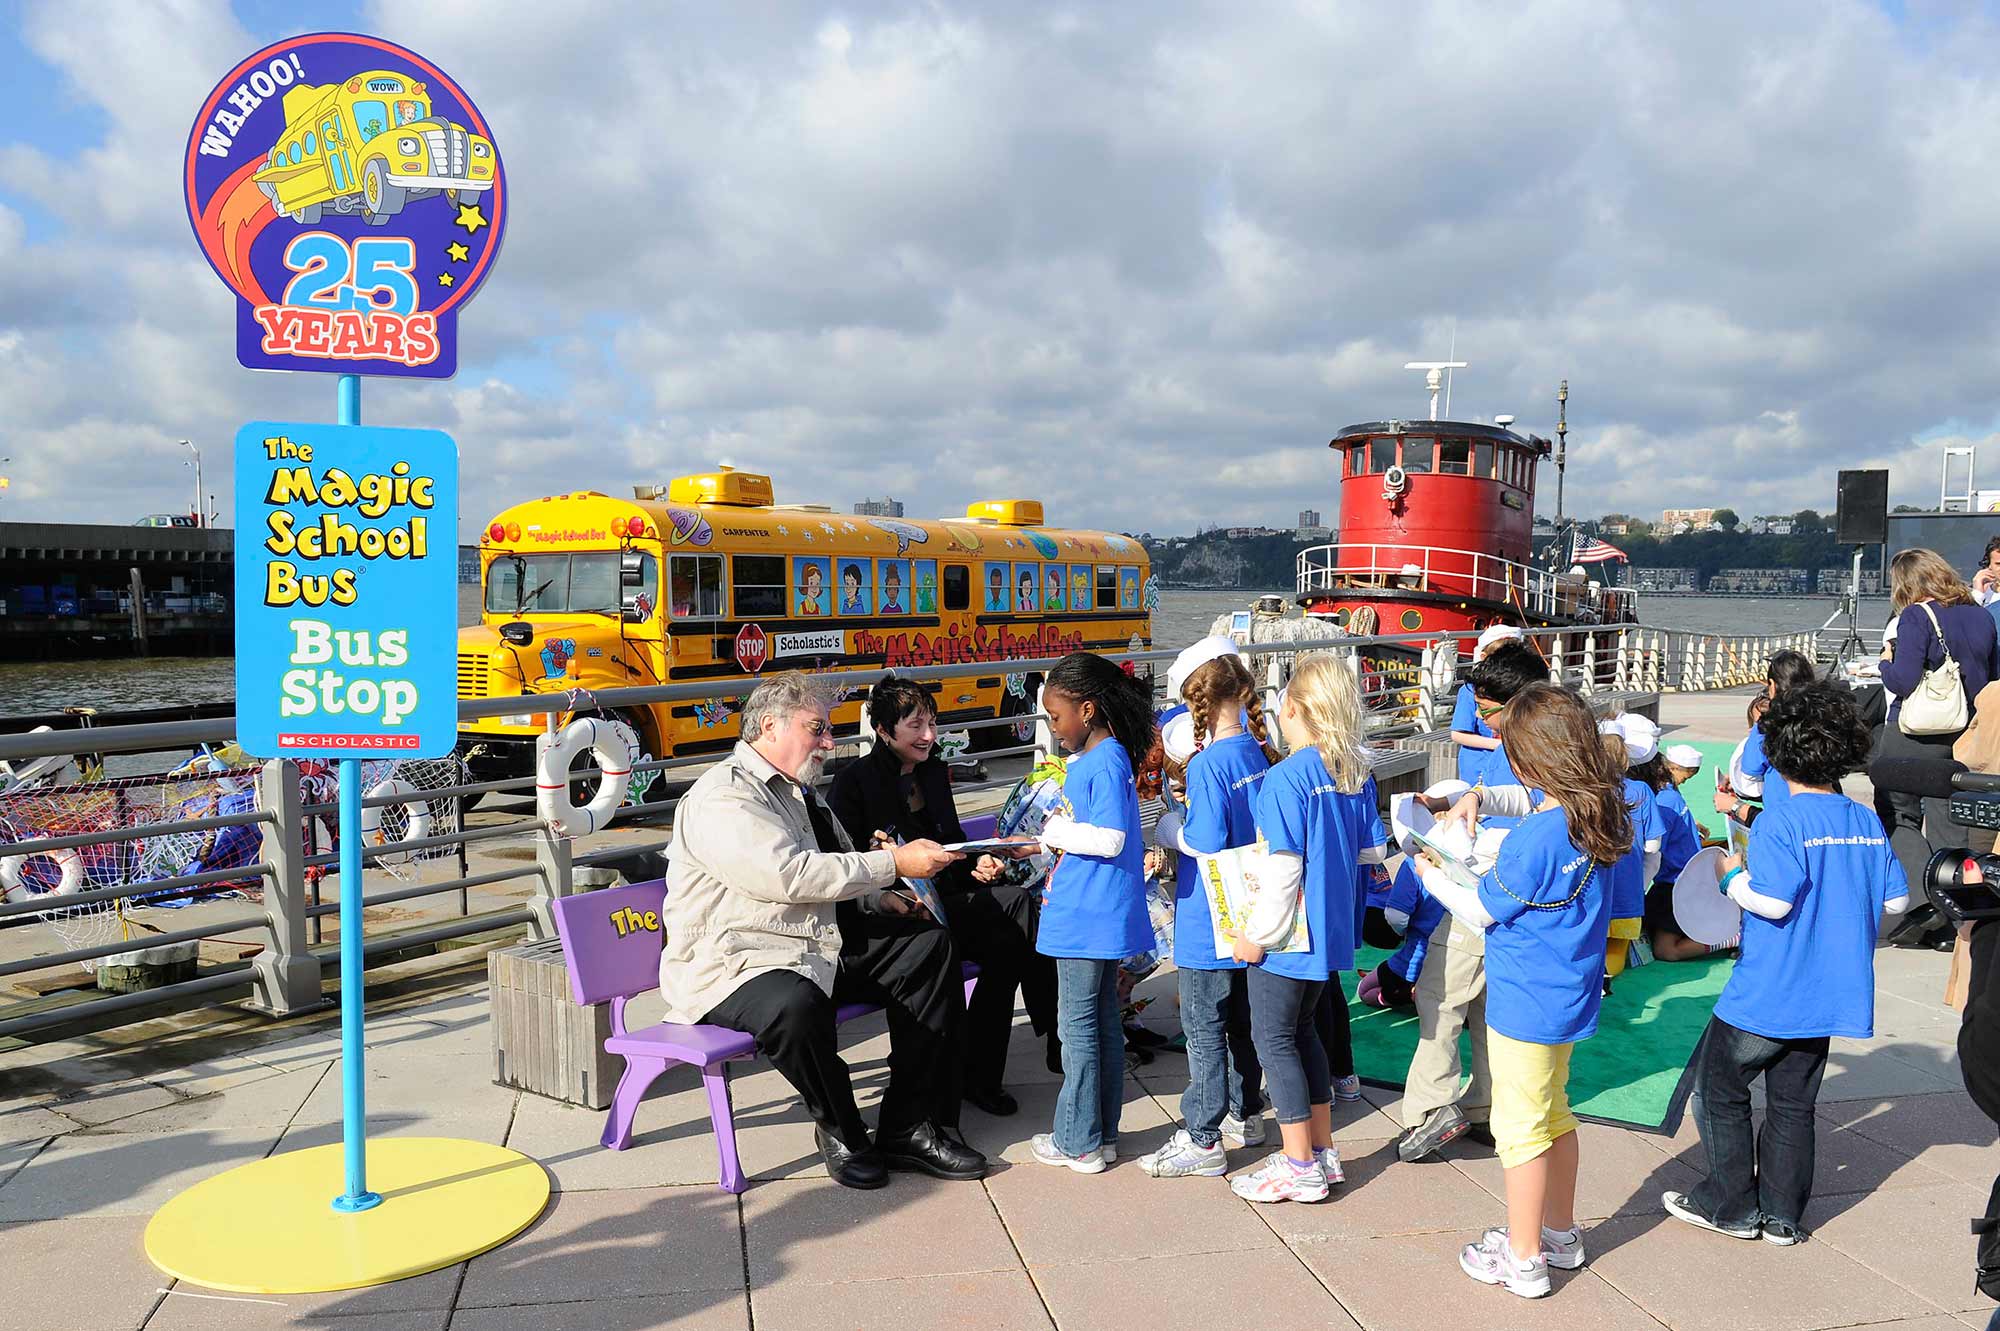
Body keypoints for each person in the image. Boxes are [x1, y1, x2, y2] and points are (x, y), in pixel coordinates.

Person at [657, 674, 986, 1190]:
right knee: (796, 1006)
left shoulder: (798, 791)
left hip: (811, 941)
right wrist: (893, 861)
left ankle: (908, 1125)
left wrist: (881, 897)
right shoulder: (723, 796)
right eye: (818, 729)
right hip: (735, 960)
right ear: (770, 726)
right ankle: (842, 1129)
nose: (830, 743)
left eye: (828, 730)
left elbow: (829, 865)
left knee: (928, 949)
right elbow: (787, 875)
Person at [1663, 682, 1907, 1246]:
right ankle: (1782, 1215)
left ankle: (1728, 1203)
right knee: (1794, 1103)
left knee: (1719, 1090)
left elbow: (1771, 900)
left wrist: (1729, 875)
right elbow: (1894, 901)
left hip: (1770, 989)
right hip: (1831, 992)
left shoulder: (1781, 819)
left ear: (1777, 751)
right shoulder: (1863, 817)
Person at [1418, 684, 1630, 1300]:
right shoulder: (1600, 807)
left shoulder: (1535, 839)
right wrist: (1479, 797)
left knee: (1520, 1131)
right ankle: (1559, 1233)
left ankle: (1524, 1256)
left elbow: (1481, 910)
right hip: (1570, 991)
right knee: (1554, 1114)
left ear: (1529, 759)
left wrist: (1431, 873)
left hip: (1525, 998)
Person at [828, 677, 1053, 1118]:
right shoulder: (854, 783)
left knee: (1016, 910)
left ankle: (989, 1069)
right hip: (893, 914)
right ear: (884, 730)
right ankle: (1030, 1045)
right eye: (916, 726)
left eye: (932, 723)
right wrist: (886, 863)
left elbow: (950, 843)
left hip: (944, 900)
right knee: (1000, 936)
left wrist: (979, 864)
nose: (930, 736)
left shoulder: (933, 773)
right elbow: (846, 868)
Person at [1227, 654, 1387, 1203]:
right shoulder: (1353, 771)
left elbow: (1283, 868)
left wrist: (1257, 936)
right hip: (1333, 931)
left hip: (1288, 939)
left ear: (1290, 708)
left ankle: (1298, 1163)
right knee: (1306, 1035)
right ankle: (1321, 1152)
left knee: (1273, 1040)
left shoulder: (1285, 778)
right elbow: (1372, 851)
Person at [1398, 641, 1550, 1162]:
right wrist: (1464, 798)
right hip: (1519, 906)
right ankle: (1488, 1108)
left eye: (1486, 709)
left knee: (1440, 1000)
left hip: (1482, 886)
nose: (1482, 720)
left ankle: (1430, 1110)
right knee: (1488, 1007)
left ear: (1516, 702)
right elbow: (1522, 800)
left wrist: (1433, 864)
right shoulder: (1547, 746)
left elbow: (1519, 822)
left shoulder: (1517, 746)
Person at [1140, 644, 1276, 1179]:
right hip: (1250, 910)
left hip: (1207, 917)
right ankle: (1248, 1112)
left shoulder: (1208, 764)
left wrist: (1169, 829)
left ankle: (1202, 1135)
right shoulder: (1255, 751)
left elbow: (1207, 837)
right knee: (1240, 1022)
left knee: (1202, 1026)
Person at [1030, 653, 1157, 1173]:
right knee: (1103, 1025)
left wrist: (1052, 831)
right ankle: (1101, 1133)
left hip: (1085, 915)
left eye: (1056, 717)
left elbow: (1109, 838)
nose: (1052, 728)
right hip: (1104, 912)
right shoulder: (1111, 757)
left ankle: (1077, 1139)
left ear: (1086, 710)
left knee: (1077, 1028)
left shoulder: (1101, 761)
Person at [1877, 547, 2000, 949]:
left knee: (1898, 815)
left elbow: (1903, 681)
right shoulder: (1982, 615)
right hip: (1963, 735)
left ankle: (1926, 898)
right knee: (1951, 824)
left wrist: (1884, 661)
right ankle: (1953, 919)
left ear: (1907, 584)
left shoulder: (1916, 616)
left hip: (1913, 735)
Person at [1599, 716, 1665, 984]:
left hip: (1593, 894)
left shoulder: (1584, 792)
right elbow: (1653, 846)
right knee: (1616, 952)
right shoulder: (1641, 791)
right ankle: (1606, 978)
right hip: (1628, 894)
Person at [1639, 744, 1717, 962]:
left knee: (1666, 950)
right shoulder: (1670, 796)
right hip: (1679, 881)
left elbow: (1654, 852)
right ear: (1673, 769)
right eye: (1686, 775)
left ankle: (1731, 937)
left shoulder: (1666, 798)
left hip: (1679, 885)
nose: (1685, 780)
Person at [1451, 625, 1525, 784]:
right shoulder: (1470, 690)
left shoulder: (1520, 686)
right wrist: (1498, 745)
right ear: (1484, 657)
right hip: (1479, 767)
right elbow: (1457, 733)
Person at [1972, 535, 2000, 608]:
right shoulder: (1980, 594)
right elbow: (1969, 618)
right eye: (1998, 564)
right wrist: (1977, 593)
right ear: (1989, 565)